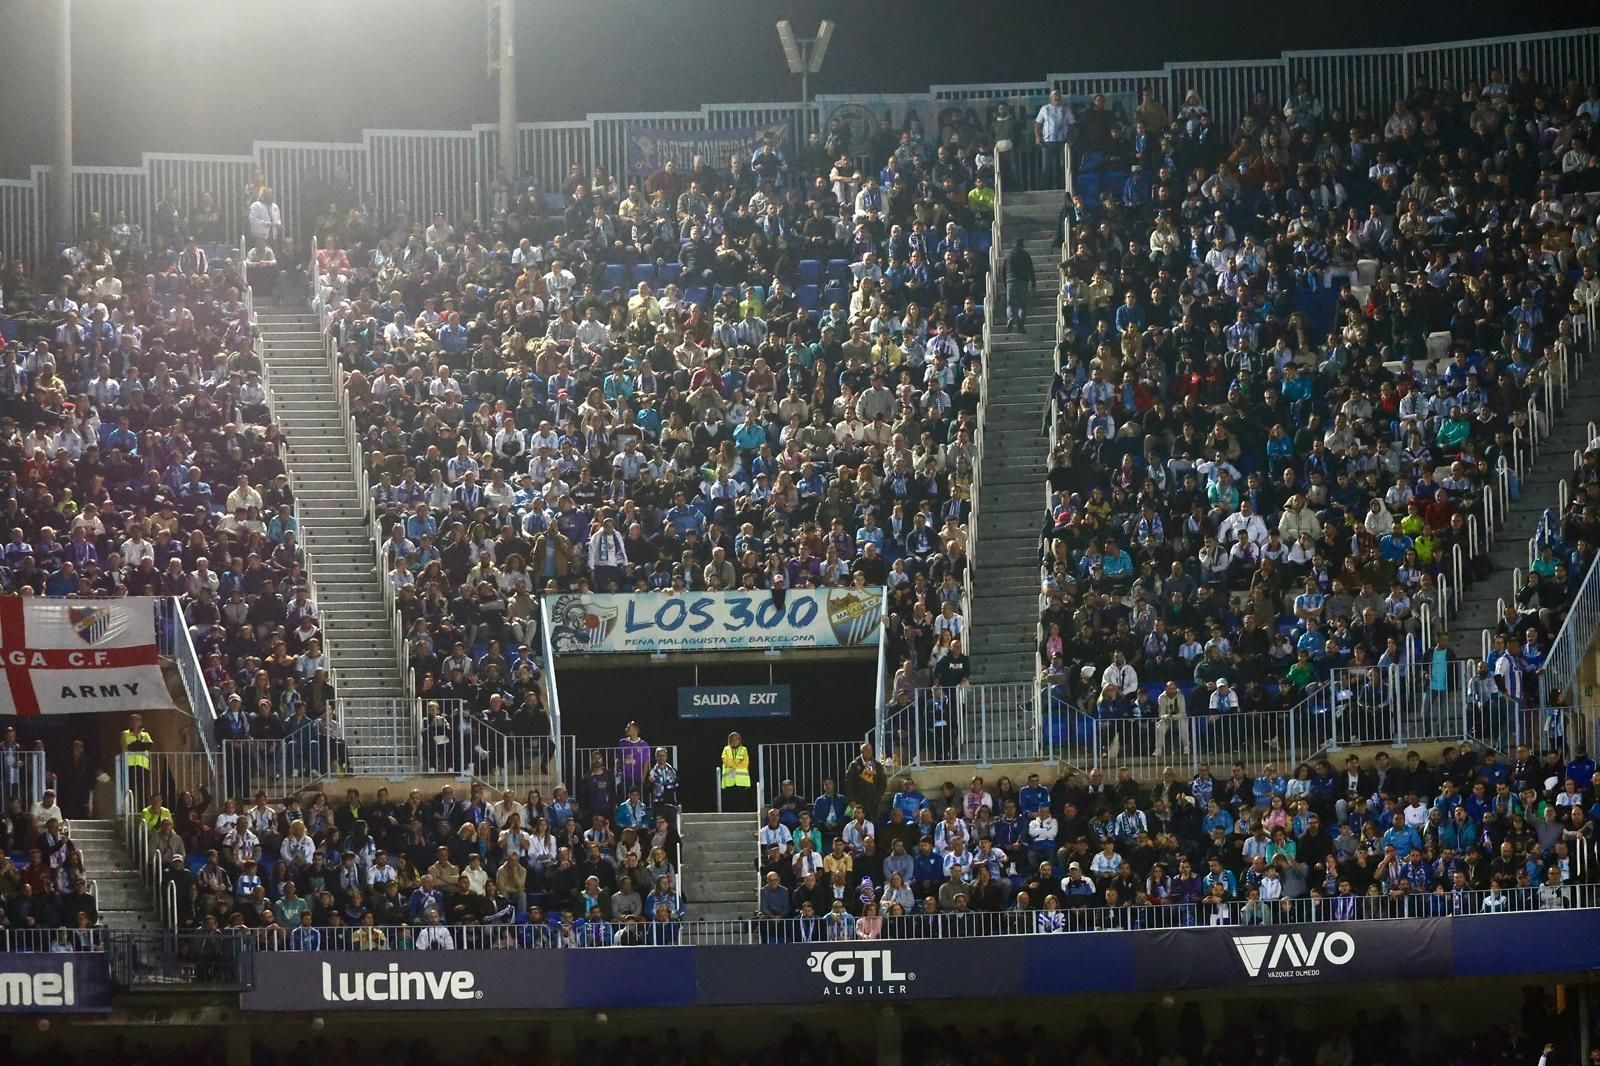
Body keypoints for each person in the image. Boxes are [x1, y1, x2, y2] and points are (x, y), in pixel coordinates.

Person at [1000, 237, 1036, 335]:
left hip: (1010, 281)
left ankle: (1010, 317)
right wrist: (1033, 284)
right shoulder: (1026, 255)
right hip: (1023, 282)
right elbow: (1031, 270)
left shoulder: (1008, 255)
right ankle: (1020, 327)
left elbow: (1003, 271)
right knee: (1022, 305)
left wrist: (1005, 283)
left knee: (1010, 304)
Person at [719, 731, 752, 811]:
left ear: (739, 740)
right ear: (729, 740)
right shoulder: (726, 749)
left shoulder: (743, 749)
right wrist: (736, 765)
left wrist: (734, 766)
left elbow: (745, 763)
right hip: (730, 779)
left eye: (736, 739)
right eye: (732, 739)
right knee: (730, 799)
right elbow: (725, 759)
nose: (734, 741)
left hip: (741, 781)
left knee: (741, 799)